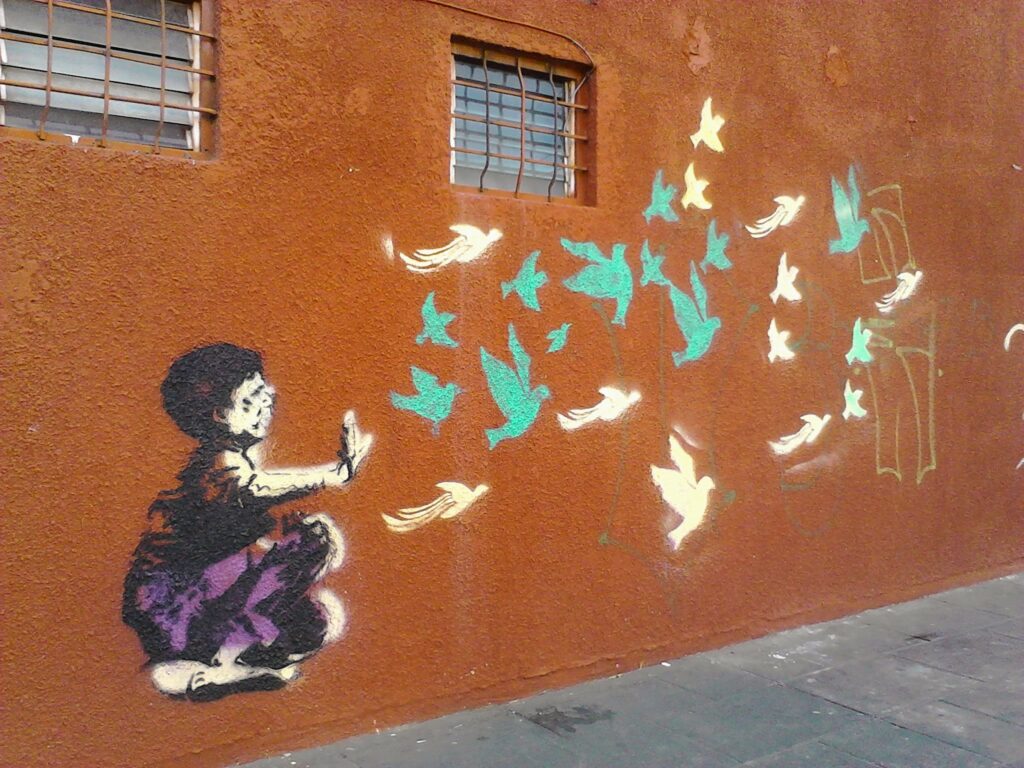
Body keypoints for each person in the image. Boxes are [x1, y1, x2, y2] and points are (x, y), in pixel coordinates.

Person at [122, 343, 373, 700]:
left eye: (263, 388)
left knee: (317, 619)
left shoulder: (231, 460)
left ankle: (210, 667)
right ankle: (224, 661)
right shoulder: (219, 465)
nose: (268, 397)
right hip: (173, 606)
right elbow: (251, 488)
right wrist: (334, 474)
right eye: (252, 396)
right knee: (314, 539)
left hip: (188, 607)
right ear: (220, 417)